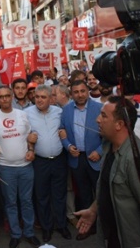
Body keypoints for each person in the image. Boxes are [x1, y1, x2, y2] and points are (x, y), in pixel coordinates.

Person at [75, 96, 140, 247]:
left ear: (119, 124)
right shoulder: (108, 147)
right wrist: (93, 210)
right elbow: (110, 188)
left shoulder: (138, 161)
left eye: (104, 116)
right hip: (113, 237)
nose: (98, 120)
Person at [0, 86, 41, 248]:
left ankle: (30, 233)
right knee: (10, 202)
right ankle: (16, 234)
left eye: (6, 96)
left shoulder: (22, 115)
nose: (4, 99)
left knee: (26, 201)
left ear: (12, 97)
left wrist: (31, 149)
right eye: (0, 97)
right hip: (5, 167)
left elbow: (31, 137)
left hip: (25, 166)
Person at [25, 85, 70, 242]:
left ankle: (62, 225)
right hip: (40, 162)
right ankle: (46, 228)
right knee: (42, 196)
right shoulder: (27, 114)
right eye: (37, 97)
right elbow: (24, 134)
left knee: (59, 195)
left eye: (43, 97)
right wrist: (29, 140)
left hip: (58, 160)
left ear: (51, 98)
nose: (39, 100)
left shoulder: (59, 112)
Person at [59, 80, 103, 241]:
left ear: (88, 91)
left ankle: (105, 226)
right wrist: (68, 146)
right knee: (83, 194)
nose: (80, 94)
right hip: (77, 158)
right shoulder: (66, 110)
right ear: (72, 94)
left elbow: (107, 135)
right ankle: (88, 227)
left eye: (82, 91)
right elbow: (61, 131)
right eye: (76, 92)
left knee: (101, 193)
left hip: (96, 158)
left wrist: (99, 151)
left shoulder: (99, 109)